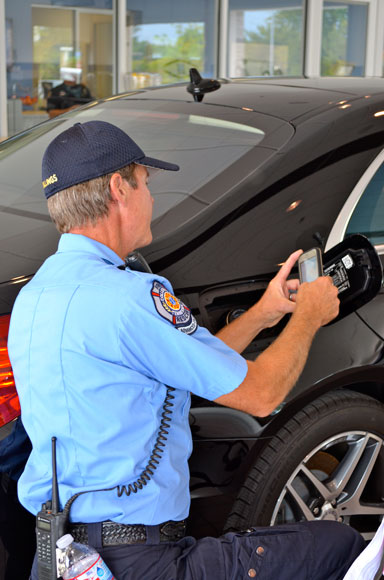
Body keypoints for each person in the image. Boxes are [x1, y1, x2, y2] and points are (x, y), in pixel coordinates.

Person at [8, 120, 365, 580]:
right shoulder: (133, 296)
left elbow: (178, 363)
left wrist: (264, 313)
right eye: (146, 183)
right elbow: (262, 395)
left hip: (57, 559)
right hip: (140, 563)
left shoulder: (34, 296)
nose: (152, 199)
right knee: (341, 547)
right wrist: (308, 317)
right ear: (119, 188)